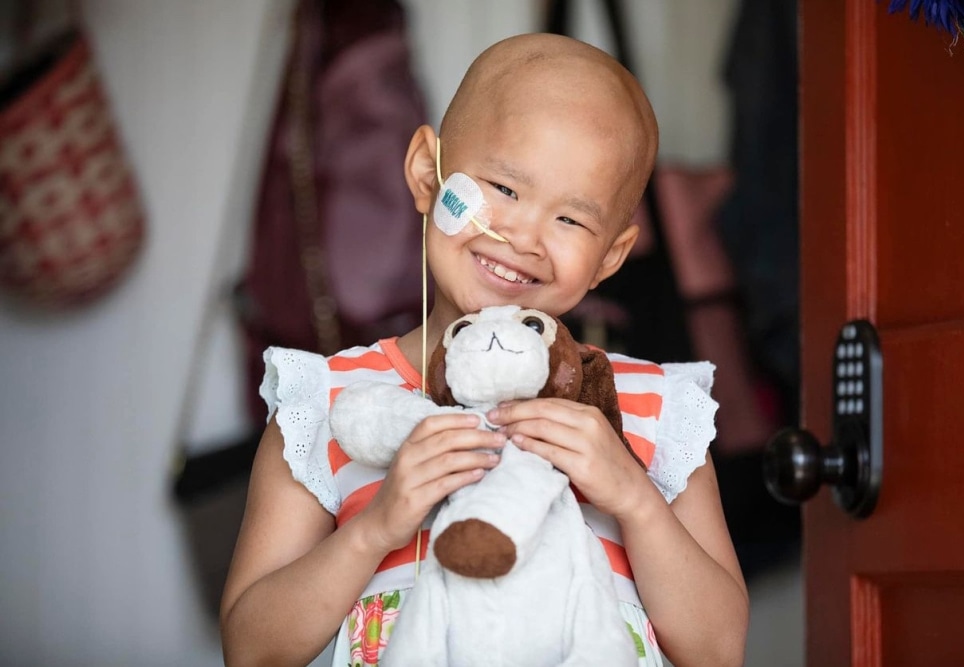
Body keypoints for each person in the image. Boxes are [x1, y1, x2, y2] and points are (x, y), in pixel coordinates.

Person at [219, 32, 749, 667]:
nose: (523, 236)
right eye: (503, 187)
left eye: (572, 220)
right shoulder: (331, 401)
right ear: (426, 174)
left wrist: (634, 498)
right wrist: (378, 528)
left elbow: (718, 651)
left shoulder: (655, 411)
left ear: (610, 256)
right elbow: (250, 649)